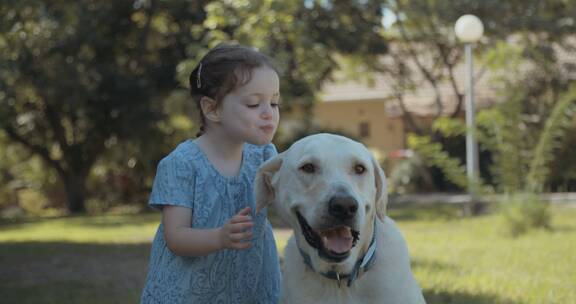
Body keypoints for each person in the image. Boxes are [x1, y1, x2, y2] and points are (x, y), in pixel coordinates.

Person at [141, 44, 282, 304]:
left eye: (274, 102)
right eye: (253, 103)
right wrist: (219, 237)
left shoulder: (265, 157)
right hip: (190, 292)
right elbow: (176, 236)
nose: (269, 114)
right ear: (212, 109)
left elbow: (293, 202)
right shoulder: (181, 164)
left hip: (249, 287)